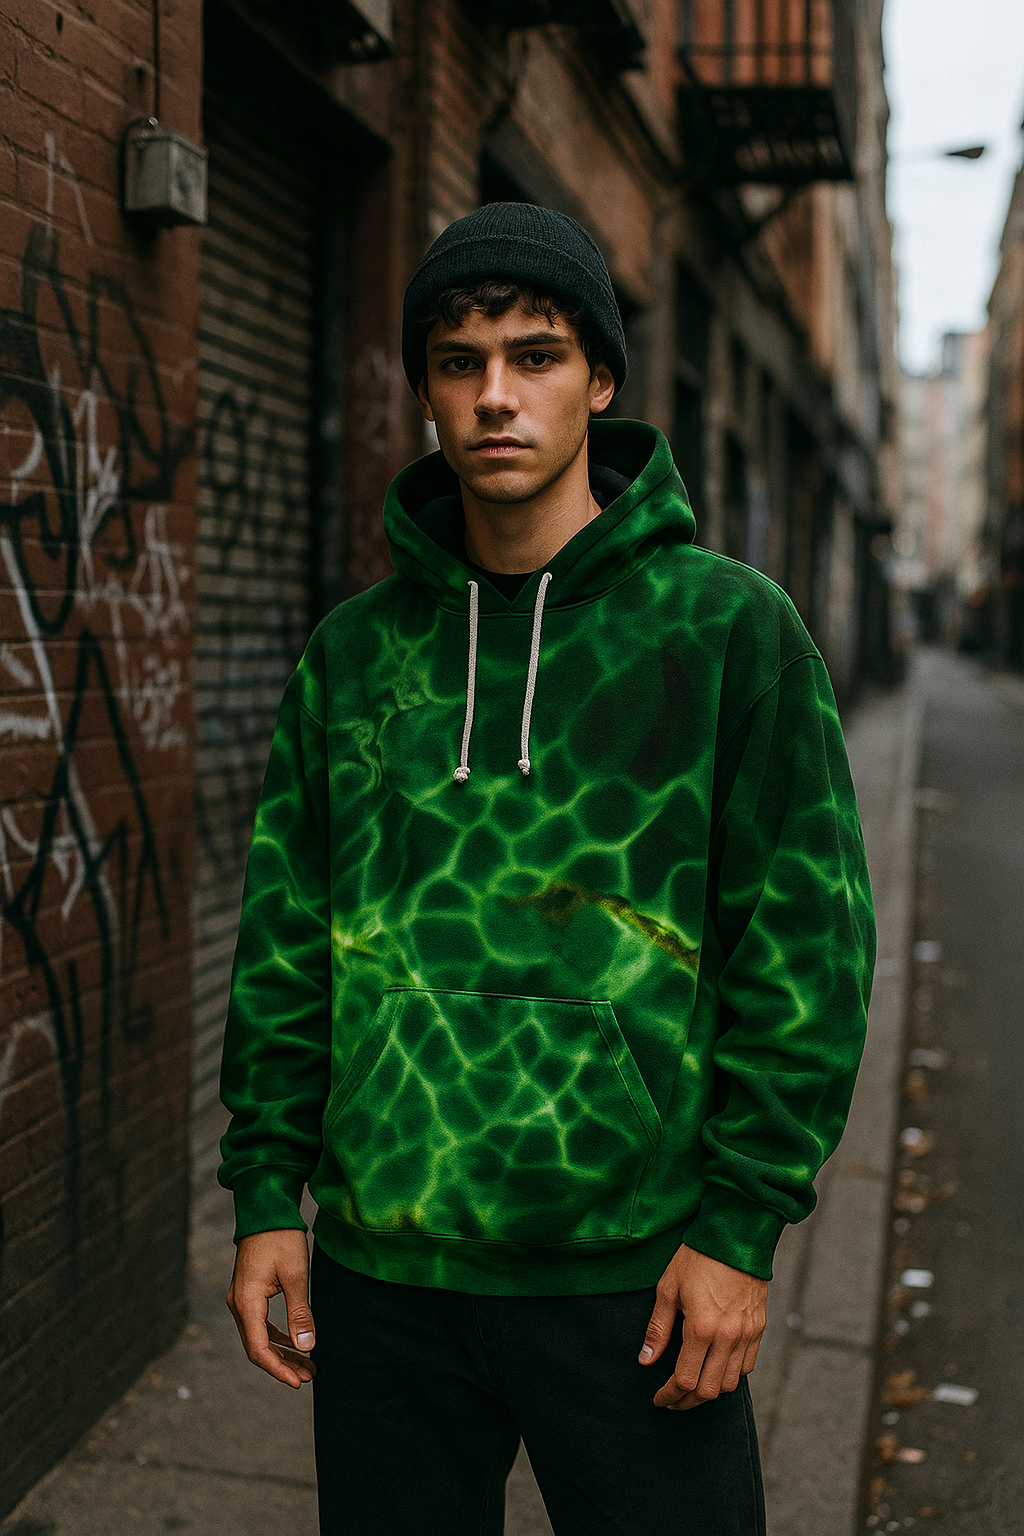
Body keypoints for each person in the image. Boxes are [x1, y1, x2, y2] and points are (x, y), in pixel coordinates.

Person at [218, 202, 875, 1535]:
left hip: (631, 1278)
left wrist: (741, 1231)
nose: (496, 397)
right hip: (384, 1267)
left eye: (536, 356)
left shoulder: (724, 630)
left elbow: (807, 951)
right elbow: (288, 935)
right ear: (426, 393)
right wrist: (260, 1196)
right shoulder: (356, 652)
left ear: (603, 382)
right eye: (459, 364)